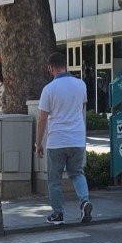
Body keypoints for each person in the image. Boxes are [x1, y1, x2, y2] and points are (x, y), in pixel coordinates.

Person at [35, 51, 92, 227]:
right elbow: (81, 108)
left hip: (57, 141)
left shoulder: (49, 89)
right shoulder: (81, 84)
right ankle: (84, 201)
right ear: (65, 65)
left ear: (51, 68)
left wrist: (38, 143)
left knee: (55, 179)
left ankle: (58, 213)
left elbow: (42, 118)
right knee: (77, 173)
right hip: (77, 139)